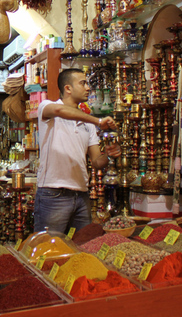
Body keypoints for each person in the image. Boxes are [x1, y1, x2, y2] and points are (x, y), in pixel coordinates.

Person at [34, 68, 121, 234]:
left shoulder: (87, 124)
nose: (88, 88)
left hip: (81, 195)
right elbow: (61, 111)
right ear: (68, 88)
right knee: (48, 249)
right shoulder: (47, 108)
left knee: (82, 248)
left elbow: (96, 162)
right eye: (83, 83)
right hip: (53, 193)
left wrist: (109, 155)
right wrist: (98, 120)